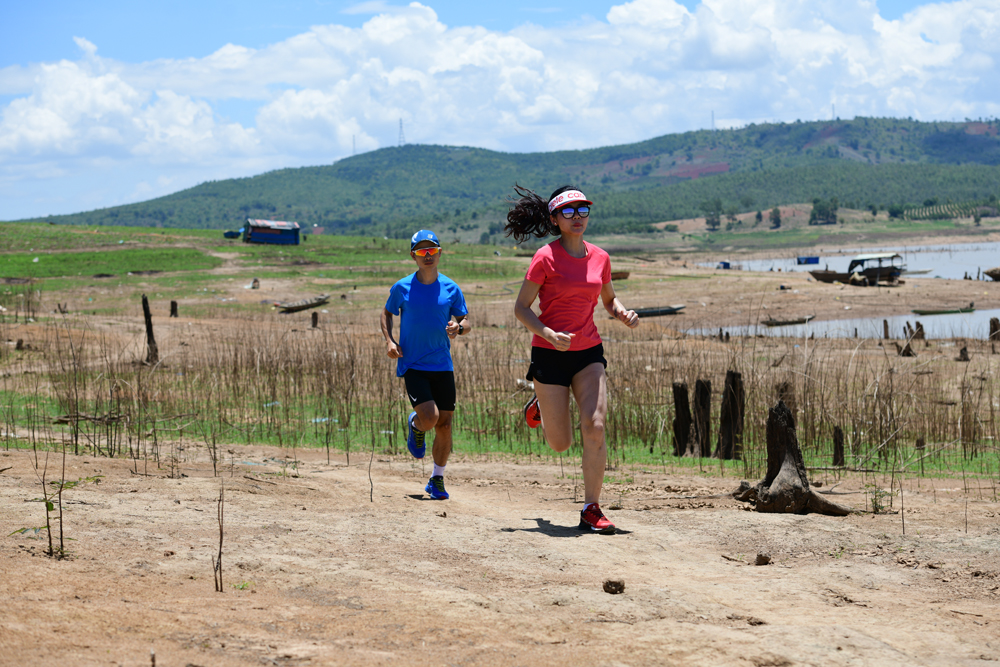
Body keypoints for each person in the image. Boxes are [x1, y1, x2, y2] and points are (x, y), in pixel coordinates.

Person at [507, 185, 639, 533]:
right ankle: (539, 402)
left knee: (595, 426)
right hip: (549, 353)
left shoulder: (601, 258)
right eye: (568, 211)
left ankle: (591, 508)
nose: (577, 217)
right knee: (560, 443)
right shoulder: (545, 257)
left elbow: (608, 300)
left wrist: (622, 312)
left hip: (588, 352)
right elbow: (521, 308)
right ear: (554, 219)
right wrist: (548, 333)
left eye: (583, 210)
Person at [380, 230, 471, 500]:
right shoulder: (402, 287)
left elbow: (465, 320)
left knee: (445, 425)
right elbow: (386, 313)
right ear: (413, 256)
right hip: (413, 363)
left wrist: (459, 328)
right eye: (421, 251)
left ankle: (437, 479)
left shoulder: (451, 288)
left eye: (432, 250)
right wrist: (390, 341)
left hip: (442, 365)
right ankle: (417, 424)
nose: (427, 255)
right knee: (430, 418)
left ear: (440, 252)